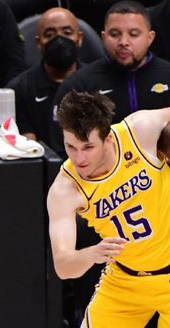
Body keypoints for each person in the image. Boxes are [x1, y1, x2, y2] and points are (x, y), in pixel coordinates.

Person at [46, 90, 170, 325]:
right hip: (126, 278)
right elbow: (63, 267)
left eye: (88, 147)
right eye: (71, 147)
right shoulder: (65, 188)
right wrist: (92, 254)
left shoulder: (140, 131)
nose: (79, 158)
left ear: (109, 138)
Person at [50, 0, 170, 152]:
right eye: (115, 34)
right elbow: (62, 150)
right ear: (104, 37)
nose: (123, 42)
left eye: (133, 34)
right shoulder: (78, 87)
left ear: (150, 38)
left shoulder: (167, 75)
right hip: (101, 173)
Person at [7, 7, 85, 142]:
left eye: (67, 33)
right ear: (38, 42)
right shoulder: (20, 89)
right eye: (49, 35)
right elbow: (27, 146)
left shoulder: (97, 82)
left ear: (79, 38)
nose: (59, 40)